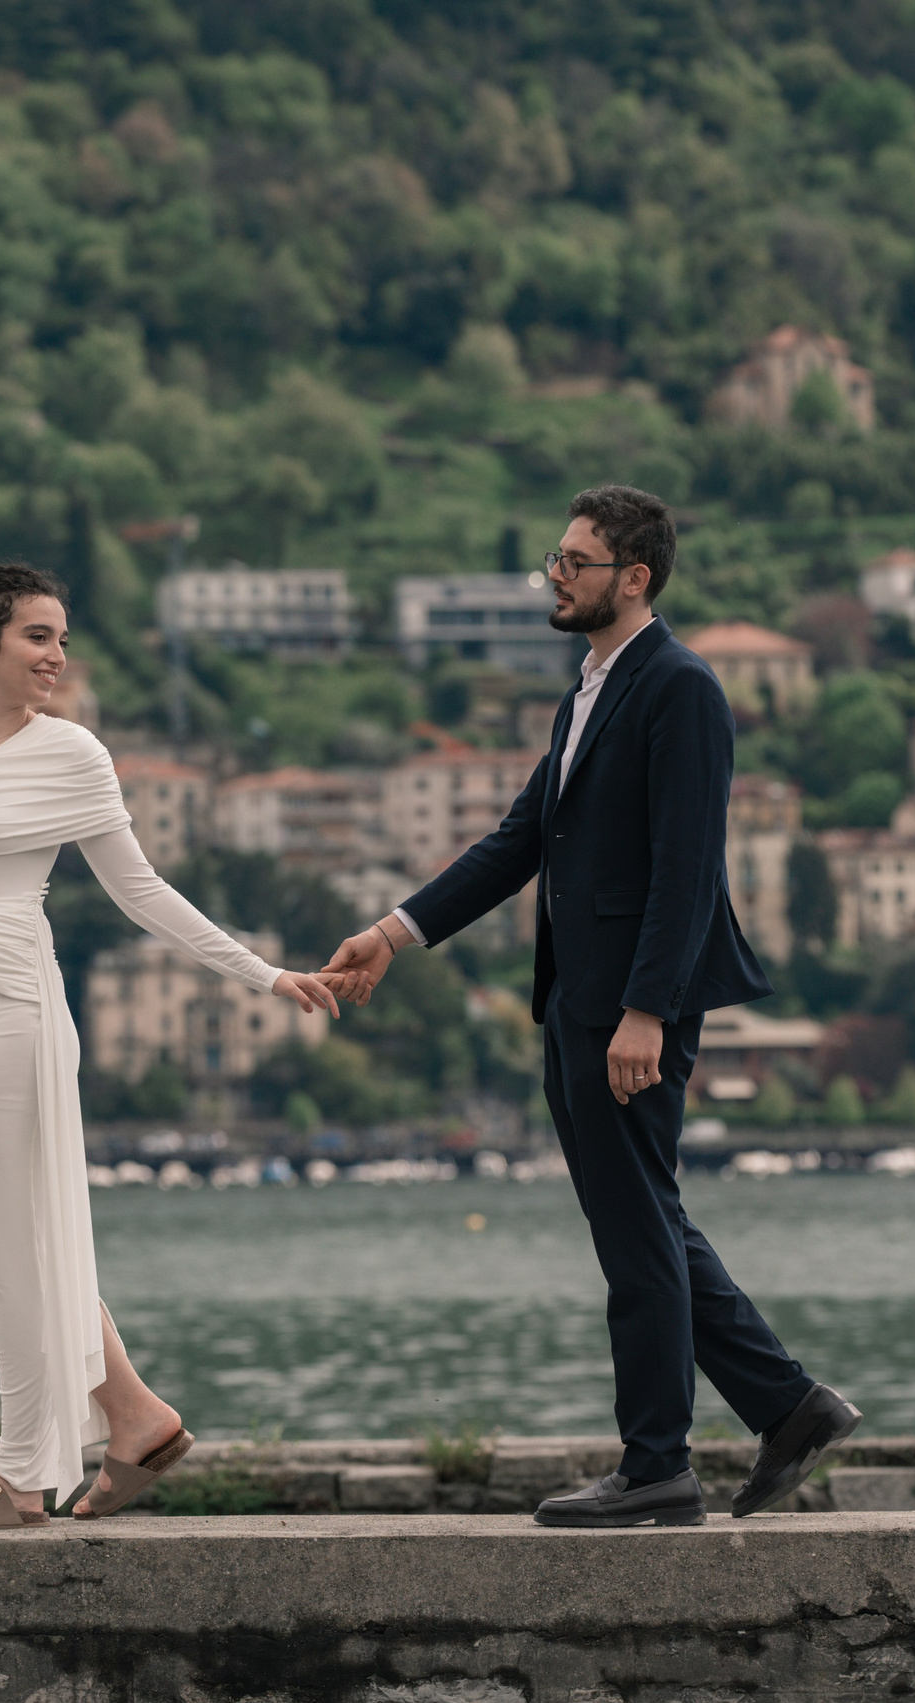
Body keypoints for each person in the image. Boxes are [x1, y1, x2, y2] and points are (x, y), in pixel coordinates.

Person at [322, 484, 860, 1528]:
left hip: (630, 1009)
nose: (556, 576)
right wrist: (392, 934)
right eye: (556, 560)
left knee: (635, 1232)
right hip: (579, 999)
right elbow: (519, 841)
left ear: (634, 576)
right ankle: (787, 1407)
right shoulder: (589, 690)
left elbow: (687, 869)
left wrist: (648, 1013)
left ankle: (657, 1464)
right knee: (643, 1219)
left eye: (575, 561)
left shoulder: (681, 688)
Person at [0, 563, 341, 1530]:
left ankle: (21, 1477)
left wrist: (266, 973)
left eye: (64, 639)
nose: (58, 657)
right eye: (39, 637)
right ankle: (135, 1415)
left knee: (12, 1249)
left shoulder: (73, 754)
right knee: (9, 1241)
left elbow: (143, 891)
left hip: (14, 1015)